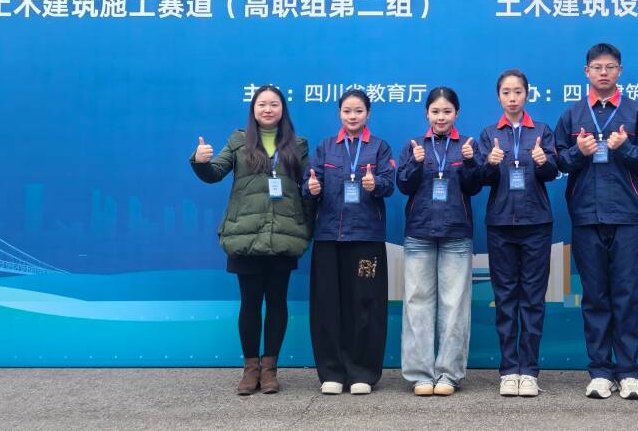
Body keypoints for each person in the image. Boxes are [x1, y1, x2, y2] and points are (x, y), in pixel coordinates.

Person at [191, 84, 312, 395]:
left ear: (283, 109)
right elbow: (214, 173)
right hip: (246, 235)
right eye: (262, 104)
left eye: (274, 104)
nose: (268, 109)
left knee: (277, 303)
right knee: (250, 303)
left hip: (283, 234)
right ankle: (250, 370)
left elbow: (308, 188)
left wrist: (307, 217)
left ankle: (270, 370)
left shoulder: (297, 145)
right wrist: (200, 161)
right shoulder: (238, 141)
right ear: (253, 109)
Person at [553, 43, 638, 400]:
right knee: (595, 296)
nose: (603, 73)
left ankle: (628, 372)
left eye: (610, 67)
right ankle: (599, 371)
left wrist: (624, 147)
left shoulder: (635, 112)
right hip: (586, 214)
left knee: (626, 295)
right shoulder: (573, 115)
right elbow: (556, 162)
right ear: (586, 71)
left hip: (626, 215)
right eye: (597, 67)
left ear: (620, 71)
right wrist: (578, 153)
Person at [304, 89, 395, 395]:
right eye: (347, 111)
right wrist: (311, 187)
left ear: (368, 113)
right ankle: (331, 371)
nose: (352, 116)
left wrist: (375, 183)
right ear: (339, 114)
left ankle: (362, 372)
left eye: (358, 111)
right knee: (326, 305)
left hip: (366, 238)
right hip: (329, 238)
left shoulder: (379, 147)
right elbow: (309, 182)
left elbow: (390, 184)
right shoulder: (326, 147)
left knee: (365, 304)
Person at [395, 87, 484, 396]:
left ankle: (448, 374)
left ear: (456, 113)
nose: (441, 117)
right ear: (427, 114)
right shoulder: (414, 145)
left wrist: (471, 162)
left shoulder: (467, 145)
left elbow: (474, 187)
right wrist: (415, 163)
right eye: (435, 111)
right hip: (419, 233)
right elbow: (403, 185)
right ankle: (420, 374)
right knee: (416, 304)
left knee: (454, 305)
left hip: (456, 234)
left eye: (447, 111)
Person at [476, 69, 558, 398]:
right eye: (506, 92)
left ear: (527, 94)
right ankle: (509, 369)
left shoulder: (541, 131)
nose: (512, 98)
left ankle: (530, 371)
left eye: (518, 92)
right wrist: (489, 163)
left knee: (533, 300)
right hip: (500, 225)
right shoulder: (488, 134)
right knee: (506, 298)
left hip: (536, 223)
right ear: (499, 96)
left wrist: (543, 161)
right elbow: (479, 179)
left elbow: (552, 172)